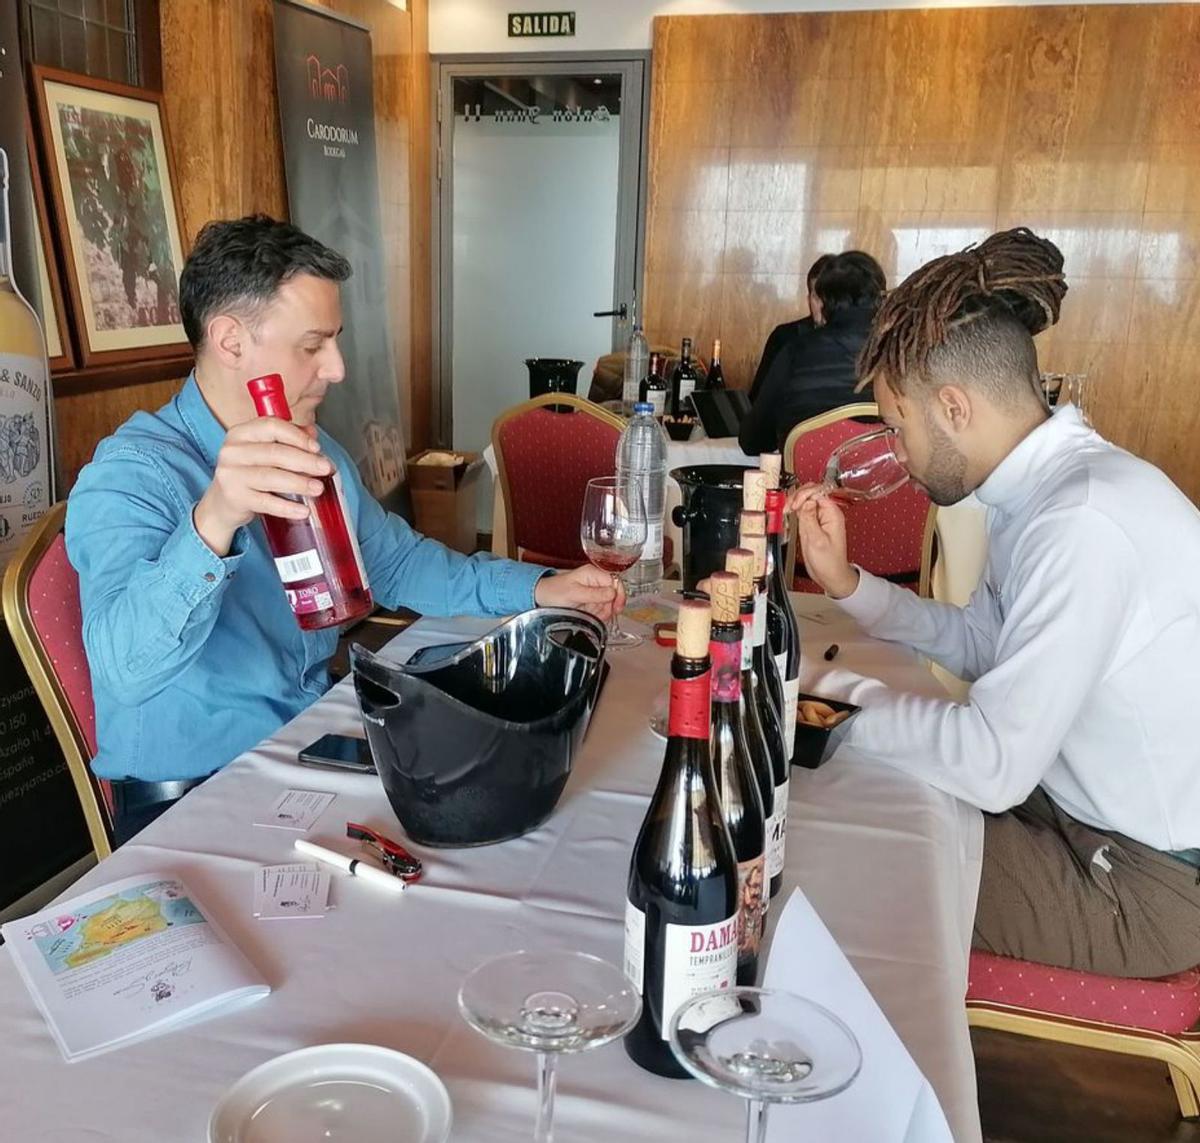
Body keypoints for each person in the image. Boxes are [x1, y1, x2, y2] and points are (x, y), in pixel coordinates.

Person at [67, 215, 624, 844]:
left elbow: (396, 563)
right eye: (312, 345)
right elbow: (123, 672)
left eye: (335, 341)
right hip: (189, 800)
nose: (336, 368)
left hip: (301, 750)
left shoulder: (314, 444)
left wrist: (541, 588)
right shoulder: (131, 473)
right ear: (229, 341)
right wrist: (215, 519)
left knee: (521, 818)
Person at [790, 228, 1200, 978]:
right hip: (1072, 812)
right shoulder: (1040, 491)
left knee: (824, 850)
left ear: (952, 406)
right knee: (852, 793)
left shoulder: (1080, 521)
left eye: (896, 425)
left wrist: (834, 700)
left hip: (1152, 881)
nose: (897, 452)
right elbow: (986, 643)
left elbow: (993, 767)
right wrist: (850, 584)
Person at [739, 251, 886, 456]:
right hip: (886, 484)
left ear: (823, 302)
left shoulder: (795, 353)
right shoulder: (902, 354)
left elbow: (752, 442)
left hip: (806, 484)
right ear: (880, 298)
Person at [747, 254, 833, 404]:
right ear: (808, 299)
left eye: (829, 298)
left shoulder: (859, 344)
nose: (823, 307)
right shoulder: (785, 337)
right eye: (817, 298)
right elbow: (758, 401)